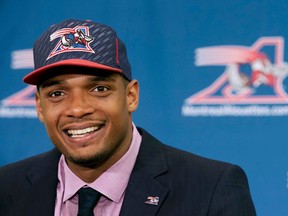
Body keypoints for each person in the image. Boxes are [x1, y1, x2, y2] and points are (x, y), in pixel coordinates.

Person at [0, 19, 257, 216]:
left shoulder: (211, 188)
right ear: (40, 106)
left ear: (131, 95)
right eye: (57, 93)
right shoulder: (6, 188)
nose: (77, 109)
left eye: (99, 89)